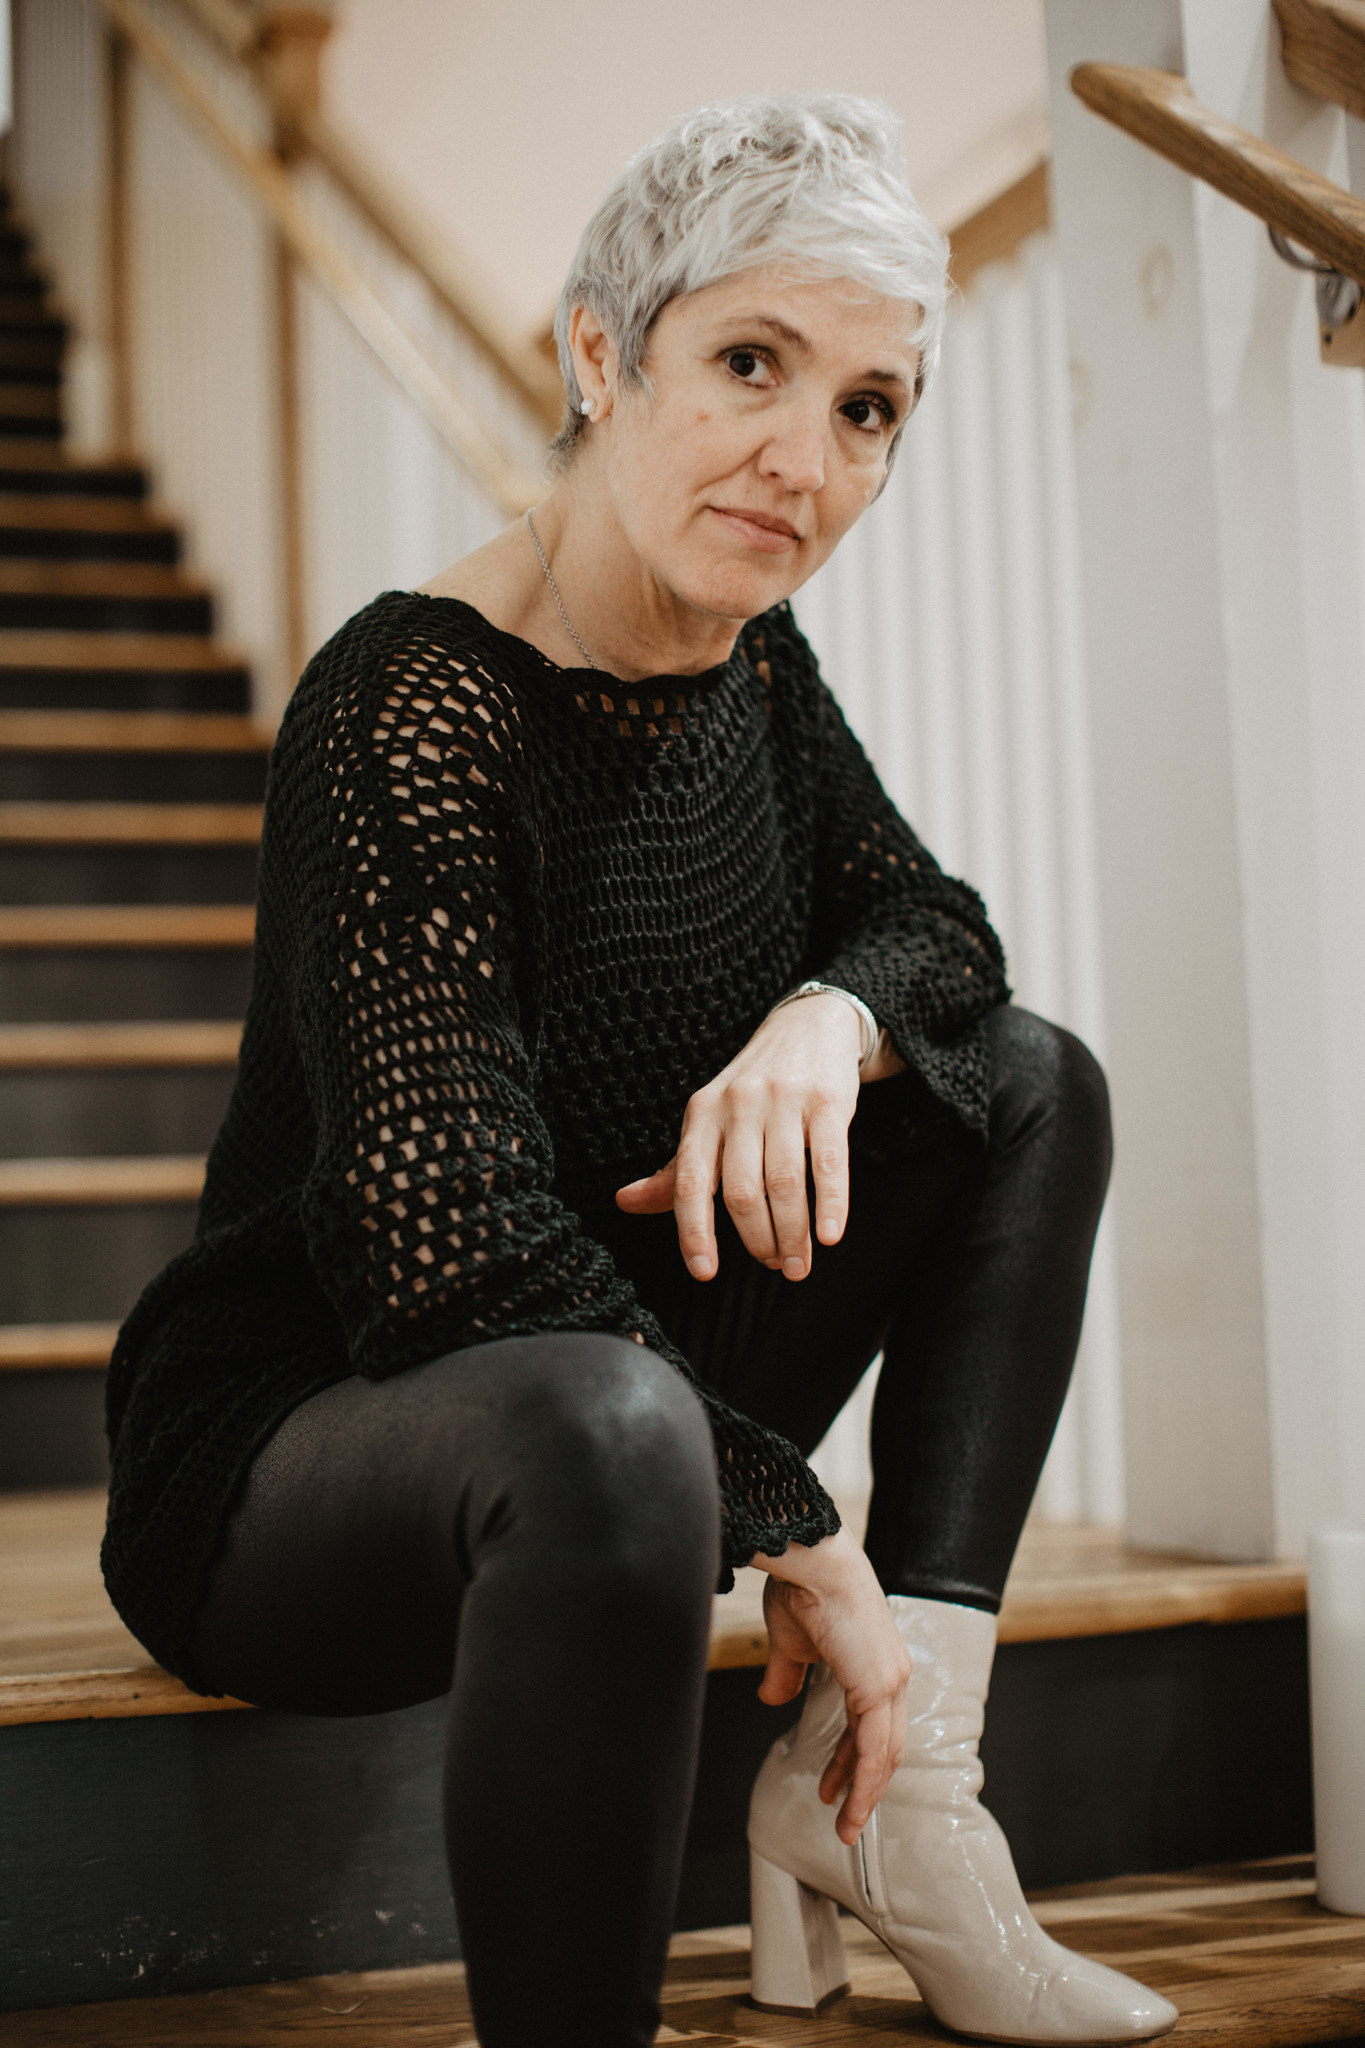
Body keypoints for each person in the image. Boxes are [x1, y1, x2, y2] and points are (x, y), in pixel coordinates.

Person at [102, 94, 1176, 2048]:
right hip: (307, 1440)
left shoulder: (748, 664)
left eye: (865, 407)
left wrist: (822, 1017)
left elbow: (936, 933)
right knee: (613, 1427)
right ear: (599, 355)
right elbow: (448, 1256)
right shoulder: (406, 708)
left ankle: (894, 1795)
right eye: (750, 363)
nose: (803, 461)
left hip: (611, 1381)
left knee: (1025, 1080)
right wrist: (796, 1517)